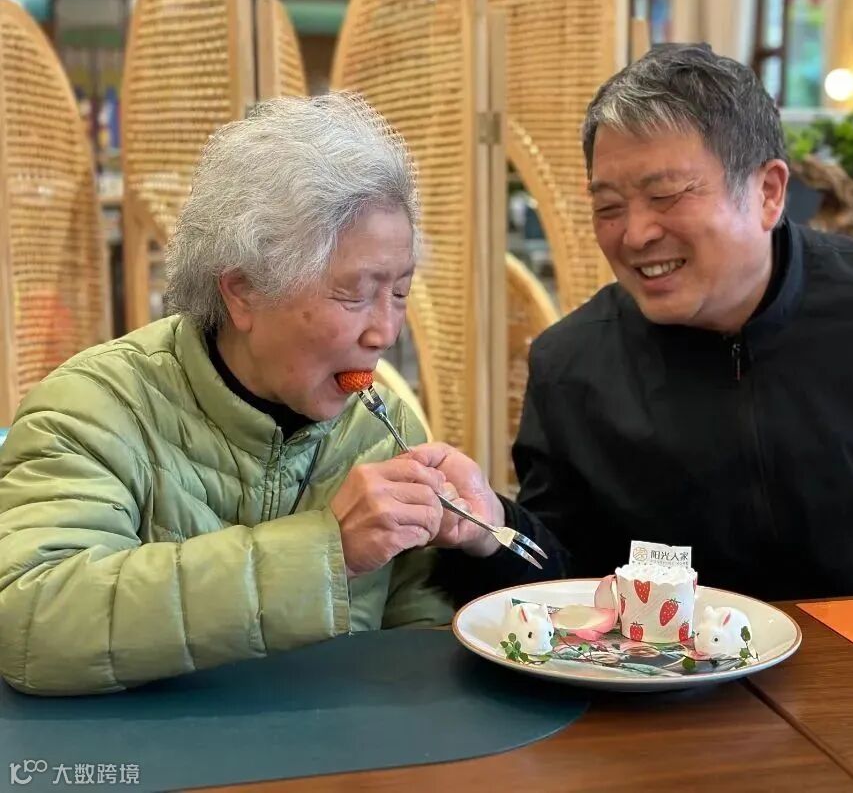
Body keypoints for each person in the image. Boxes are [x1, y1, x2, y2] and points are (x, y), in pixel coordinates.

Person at [498, 43, 853, 602]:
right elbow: (559, 579)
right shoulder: (571, 366)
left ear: (769, 192)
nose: (635, 234)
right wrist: (488, 529)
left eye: (667, 195)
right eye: (608, 207)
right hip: (672, 671)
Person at [0, 93, 507, 695]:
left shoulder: (382, 429)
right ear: (243, 292)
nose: (386, 332)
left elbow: (417, 644)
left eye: (399, 293)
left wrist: (481, 539)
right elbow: (30, 623)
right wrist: (325, 551)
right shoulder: (94, 409)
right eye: (355, 294)